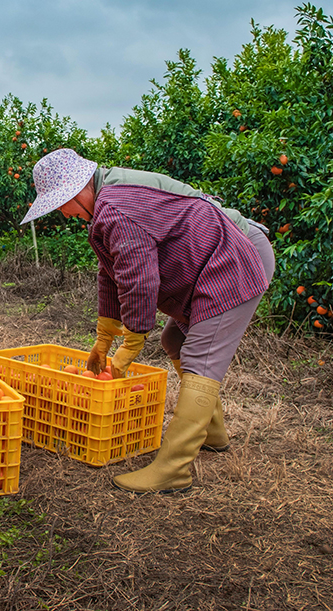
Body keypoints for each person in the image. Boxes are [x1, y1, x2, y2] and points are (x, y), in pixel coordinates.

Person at [21, 149, 276, 493]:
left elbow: (138, 280)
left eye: (61, 203)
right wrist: (104, 335)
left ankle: (174, 469)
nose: (64, 213)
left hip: (233, 258)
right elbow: (111, 272)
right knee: (175, 342)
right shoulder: (106, 203)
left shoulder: (115, 208)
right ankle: (212, 434)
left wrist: (133, 340)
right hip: (215, 257)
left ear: (79, 189)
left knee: (201, 356)